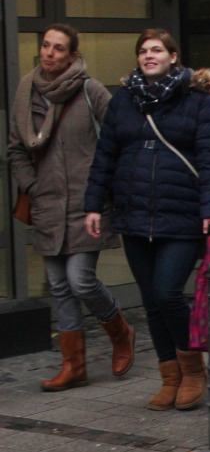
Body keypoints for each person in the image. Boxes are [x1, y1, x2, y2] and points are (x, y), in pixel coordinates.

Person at [84, 27, 210, 411]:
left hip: (181, 215)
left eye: (157, 50)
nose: (149, 56)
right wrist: (94, 205)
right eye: (143, 51)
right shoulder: (124, 100)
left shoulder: (197, 101)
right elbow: (105, 157)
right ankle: (170, 376)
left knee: (167, 293)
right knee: (151, 300)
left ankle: (194, 370)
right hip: (134, 215)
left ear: (173, 56)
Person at [7, 23, 134, 392]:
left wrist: (104, 186)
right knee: (59, 285)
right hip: (47, 204)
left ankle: (120, 330)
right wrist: (33, 185)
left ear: (72, 55)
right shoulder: (26, 92)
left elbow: (116, 139)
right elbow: (17, 148)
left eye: (58, 48)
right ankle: (73, 365)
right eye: (45, 46)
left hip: (87, 202)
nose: (49, 53)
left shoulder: (90, 90)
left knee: (80, 279)